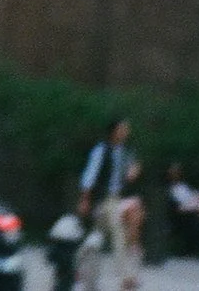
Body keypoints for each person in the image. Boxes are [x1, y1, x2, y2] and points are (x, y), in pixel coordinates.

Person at [77, 121, 141, 291]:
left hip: (117, 198)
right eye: (122, 129)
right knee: (118, 232)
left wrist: (133, 172)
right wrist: (85, 199)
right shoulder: (101, 150)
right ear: (113, 131)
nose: (126, 132)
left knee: (94, 239)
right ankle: (126, 276)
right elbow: (89, 175)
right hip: (103, 198)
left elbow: (131, 173)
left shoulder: (127, 152)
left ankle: (75, 265)